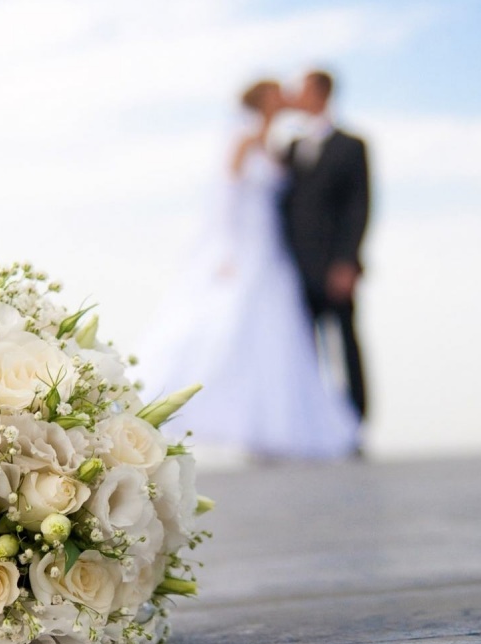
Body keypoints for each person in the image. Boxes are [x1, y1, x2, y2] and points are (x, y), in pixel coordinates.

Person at [136, 79, 359, 460]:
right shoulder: (241, 140)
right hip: (245, 248)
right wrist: (227, 250)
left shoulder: (278, 145)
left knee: (277, 339)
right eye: (277, 95)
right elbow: (225, 197)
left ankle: (272, 429)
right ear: (260, 102)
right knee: (230, 330)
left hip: (274, 251)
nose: (285, 99)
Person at [271, 70, 371, 422]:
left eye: (303, 90)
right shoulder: (291, 149)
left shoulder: (352, 145)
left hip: (334, 267)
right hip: (294, 268)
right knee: (301, 350)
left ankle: (356, 422)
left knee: (345, 344)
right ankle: (311, 425)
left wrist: (347, 262)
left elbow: (359, 207)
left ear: (322, 94)